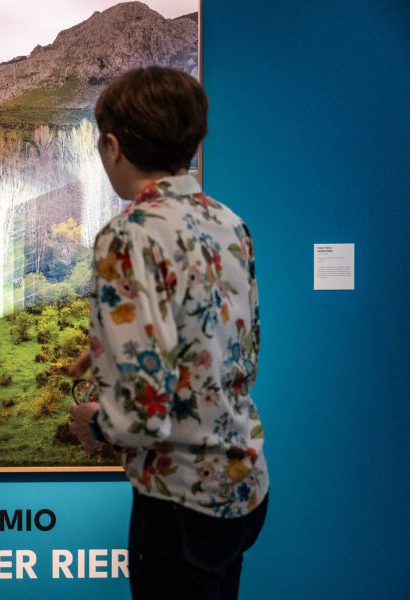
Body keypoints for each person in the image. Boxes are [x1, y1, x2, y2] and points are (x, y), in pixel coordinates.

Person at [69, 66, 269, 599]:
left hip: (178, 498)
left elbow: (141, 414)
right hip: (243, 482)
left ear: (112, 146)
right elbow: (237, 349)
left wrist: (95, 422)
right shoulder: (229, 222)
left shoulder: (128, 235)